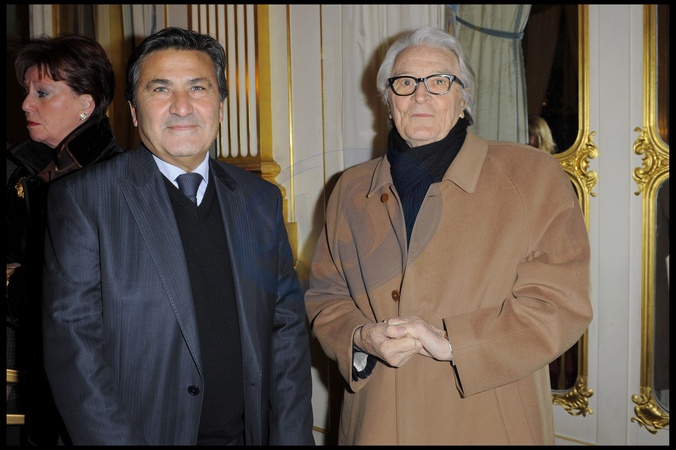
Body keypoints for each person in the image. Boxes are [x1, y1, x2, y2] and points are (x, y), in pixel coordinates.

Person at [305, 26, 593, 445]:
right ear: (388, 100)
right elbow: (325, 296)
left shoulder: (532, 177)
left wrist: (456, 344)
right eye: (405, 83)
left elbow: (561, 304)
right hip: (375, 423)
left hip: (489, 424)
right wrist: (361, 337)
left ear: (463, 99)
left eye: (439, 81)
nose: (420, 95)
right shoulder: (348, 189)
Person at [41, 27, 314, 446]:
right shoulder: (84, 200)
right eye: (161, 89)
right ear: (134, 111)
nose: (182, 106)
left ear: (221, 107)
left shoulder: (259, 200)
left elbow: (287, 334)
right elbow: (75, 353)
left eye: (198, 88)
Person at [6, 33, 124, 446]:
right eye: (27, 92)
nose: (26, 104)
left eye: (42, 93)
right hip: (38, 382)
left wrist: (16, 281)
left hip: (97, 392)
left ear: (85, 104)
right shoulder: (24, 172)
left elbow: (97, 299)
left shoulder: (118, 181)